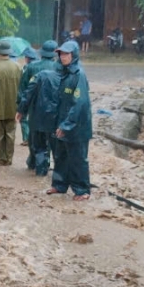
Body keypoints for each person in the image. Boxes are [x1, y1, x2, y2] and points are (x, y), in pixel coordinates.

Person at [47, 42, 92, 201]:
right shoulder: (65, 73)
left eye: (66, 54)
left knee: (78, 158)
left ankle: (82, 190)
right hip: (63, 123)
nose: (63, 57)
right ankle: (59, 185)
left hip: (77, 126)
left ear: (74, 55)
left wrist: (67, 125)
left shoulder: (79, 74)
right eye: (61, 54)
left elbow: (79, 103)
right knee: (61, 156)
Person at [17, 40, 61, 176]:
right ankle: (48, 167)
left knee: (36, 139)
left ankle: (35, 164)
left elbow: (23, 90)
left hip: (35, 110)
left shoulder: (31, 67)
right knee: (52, 141)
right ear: (55, 54)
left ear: (41, 53)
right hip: (55, 112)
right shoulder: (60, 69)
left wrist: (21, 109)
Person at [16, 47, 39, 147]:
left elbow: (23, 84)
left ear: (27, 58)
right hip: (39, 97)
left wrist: (20, 99)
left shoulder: (27, 68)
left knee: (24, 117)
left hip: (28, 95)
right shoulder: (39, 65)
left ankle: (26, 138)